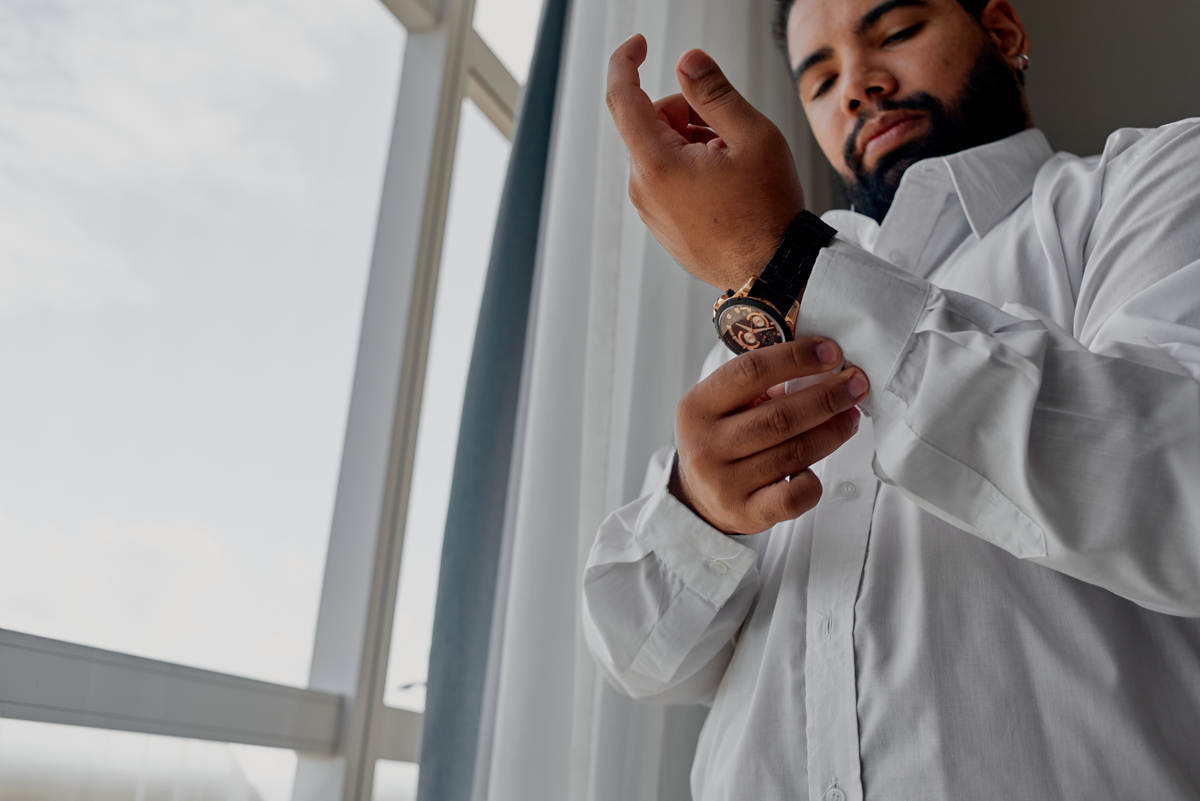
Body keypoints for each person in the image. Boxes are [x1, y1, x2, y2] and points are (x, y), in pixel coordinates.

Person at [583, 0, 1200, 798]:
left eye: (897, 33)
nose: (858, 86)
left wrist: (787, 262)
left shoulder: (1156, 182)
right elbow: (643, 664)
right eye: (821, 79)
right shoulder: (757, 334)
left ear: (1004, 33)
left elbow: (1179, 494)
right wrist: (701, 512)